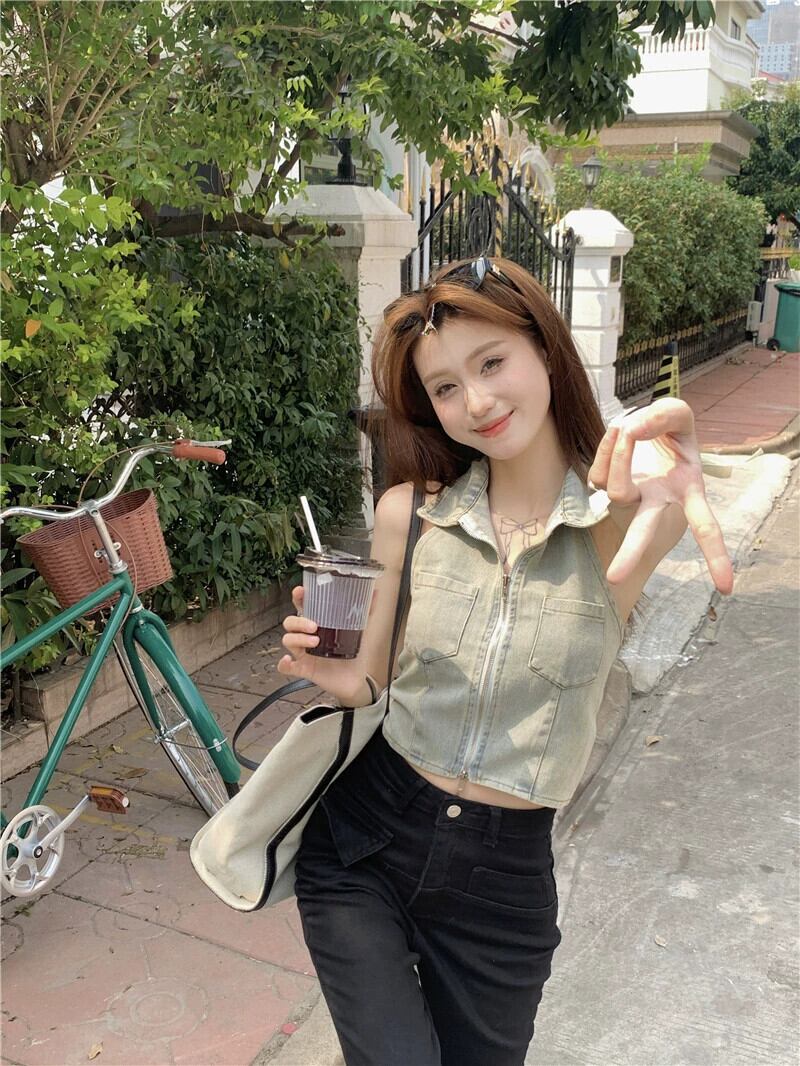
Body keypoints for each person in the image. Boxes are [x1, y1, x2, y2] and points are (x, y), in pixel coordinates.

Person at [278, 255, 734, 1066]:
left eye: (491, 363)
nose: (477, 402)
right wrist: (333, 671)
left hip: (503, 886)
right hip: (367, 843)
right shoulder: (409, 515)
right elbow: (368, 680)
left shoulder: (616, 523)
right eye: (445, 387)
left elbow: (660, 495)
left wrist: (673, 473)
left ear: (544, 349)